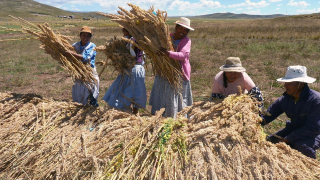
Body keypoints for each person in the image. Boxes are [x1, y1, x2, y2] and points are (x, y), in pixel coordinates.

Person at [261, 65, 320, 159]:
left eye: (289, 83)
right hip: (294, 129)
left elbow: (313, 128)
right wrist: (253, 122)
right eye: (285, 82)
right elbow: (268, 115)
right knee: (270, 141)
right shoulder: (285, 99)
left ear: (300, 84)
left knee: (300, 145)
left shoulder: (315, 100)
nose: (285, 85)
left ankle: (312, 168)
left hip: (314, 133)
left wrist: (287, 139)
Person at [149, 17, 194, 118]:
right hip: (164, 71)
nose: (182, 31)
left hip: (178, 73)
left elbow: (183, 55)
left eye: (185, 30)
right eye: (181, 28)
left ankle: (175, 116)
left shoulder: (186, 41)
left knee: (173, 95)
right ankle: (159, 115)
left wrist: (167, 53)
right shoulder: (167, 37)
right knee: (163, 93)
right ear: (176, 27)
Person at [103, 28, 146, 114]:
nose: (124, 33)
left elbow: (133, 56)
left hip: (135, 69)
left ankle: (133, 112)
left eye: (126, 31)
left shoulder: (133, 40)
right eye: (124, 31)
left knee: (133, 91)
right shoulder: (129, 40)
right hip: (129, 69)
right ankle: (128, 111)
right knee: (131, 90)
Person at [64, 26, 99, 106]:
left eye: (88, 36)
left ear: (90, 37)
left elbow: (86, 58)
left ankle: (92, 108)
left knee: (90, 89)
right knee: (78, 91)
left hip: (89, 71)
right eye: (84, 35)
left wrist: (71, 54)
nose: (86, 38)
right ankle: (79, 107)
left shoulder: (92, 46)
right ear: (80, 36)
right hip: (78, 71)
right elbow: (67, 52)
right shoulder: (75, 45)